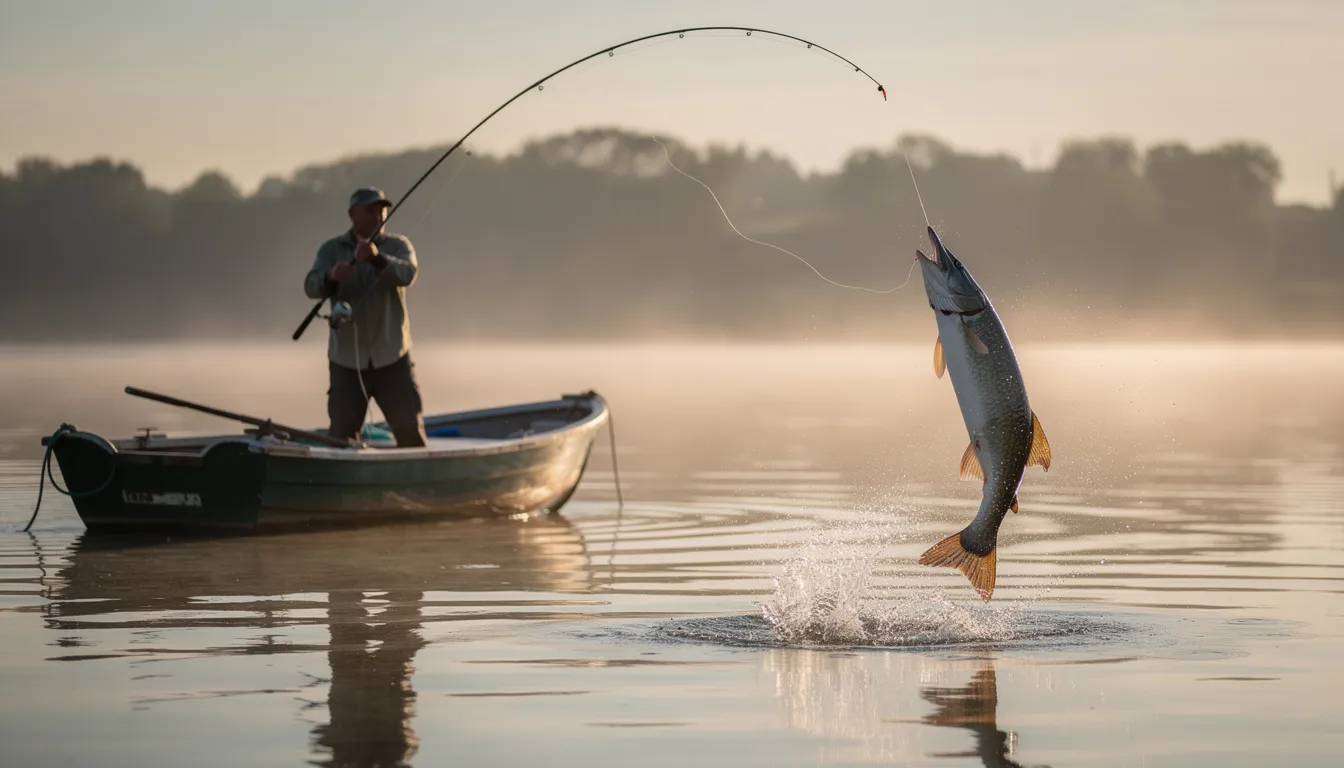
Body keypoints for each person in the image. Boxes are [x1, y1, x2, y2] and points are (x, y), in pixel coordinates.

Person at [304, 186, 428, 447]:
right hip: (346, 360)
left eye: (381, 211)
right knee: (341, 438)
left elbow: (408, 275)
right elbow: (310, 286)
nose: (378, 216)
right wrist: (330, 277)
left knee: (409, 433)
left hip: (392, 357)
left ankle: (416, 481)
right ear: (353, 214)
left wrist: (376, 258)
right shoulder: (331, 249)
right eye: (371, 210)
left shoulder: (399, 245)